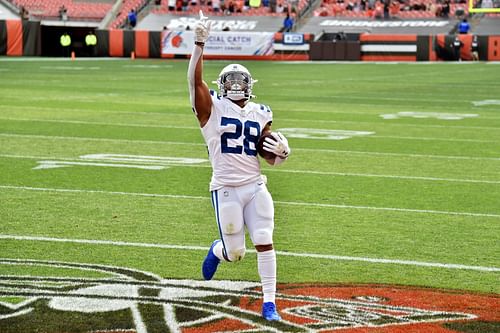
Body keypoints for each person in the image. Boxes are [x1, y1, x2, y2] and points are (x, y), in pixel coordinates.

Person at [187, 10, 291, 322]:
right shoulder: (211, 108)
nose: (234, 85)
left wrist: (282, 153)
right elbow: (194, 82)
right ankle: (218, 251)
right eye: (229, 80)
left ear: (249, 85)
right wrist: (198, 44)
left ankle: (269, 303)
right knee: (236, 253)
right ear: (221, 85)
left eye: (240, 80)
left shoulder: (261, 112)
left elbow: (268, 155)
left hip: (255, 185)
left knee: (264, 237)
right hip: (226, 188)